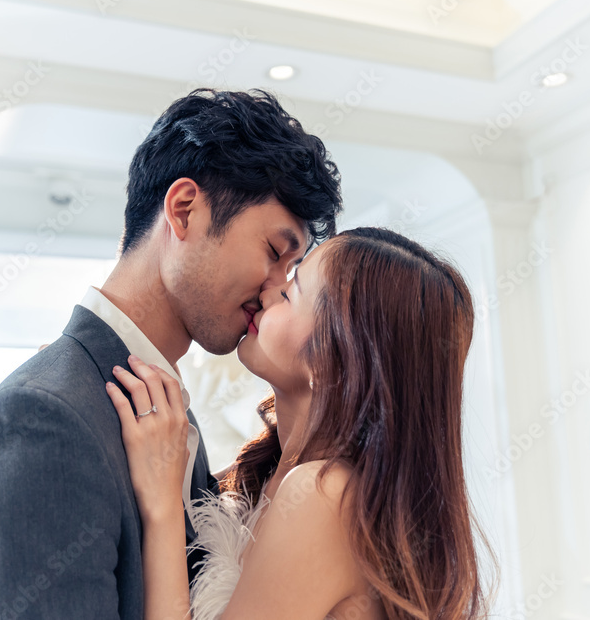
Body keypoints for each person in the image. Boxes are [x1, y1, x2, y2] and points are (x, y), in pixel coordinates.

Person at [0, 88, 343, 619]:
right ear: (184, 211)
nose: (273, 289)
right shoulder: (41, 419)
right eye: (273, 253)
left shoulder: (169, 417)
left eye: (291, 275)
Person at [107, 227, 496, 619]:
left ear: (334, 360)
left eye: (291, 292)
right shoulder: (269, 474)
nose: (267, 291)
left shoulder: (322, 495)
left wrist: (162, 508)